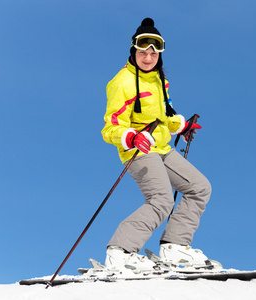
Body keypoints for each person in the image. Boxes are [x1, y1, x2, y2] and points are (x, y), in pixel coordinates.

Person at [101, 18, 212, 273]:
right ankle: (121, 252)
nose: (148, 57)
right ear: (134, 51)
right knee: (161, 200)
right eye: (142, 51)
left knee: (200, 188)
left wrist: (181, 126)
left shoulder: (159, 79)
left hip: (162, 148)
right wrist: (130, 137)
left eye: (153, 52)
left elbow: (165, 114)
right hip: (138, 150)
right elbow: (110, 128)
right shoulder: (122, 83)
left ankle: (174, 247)